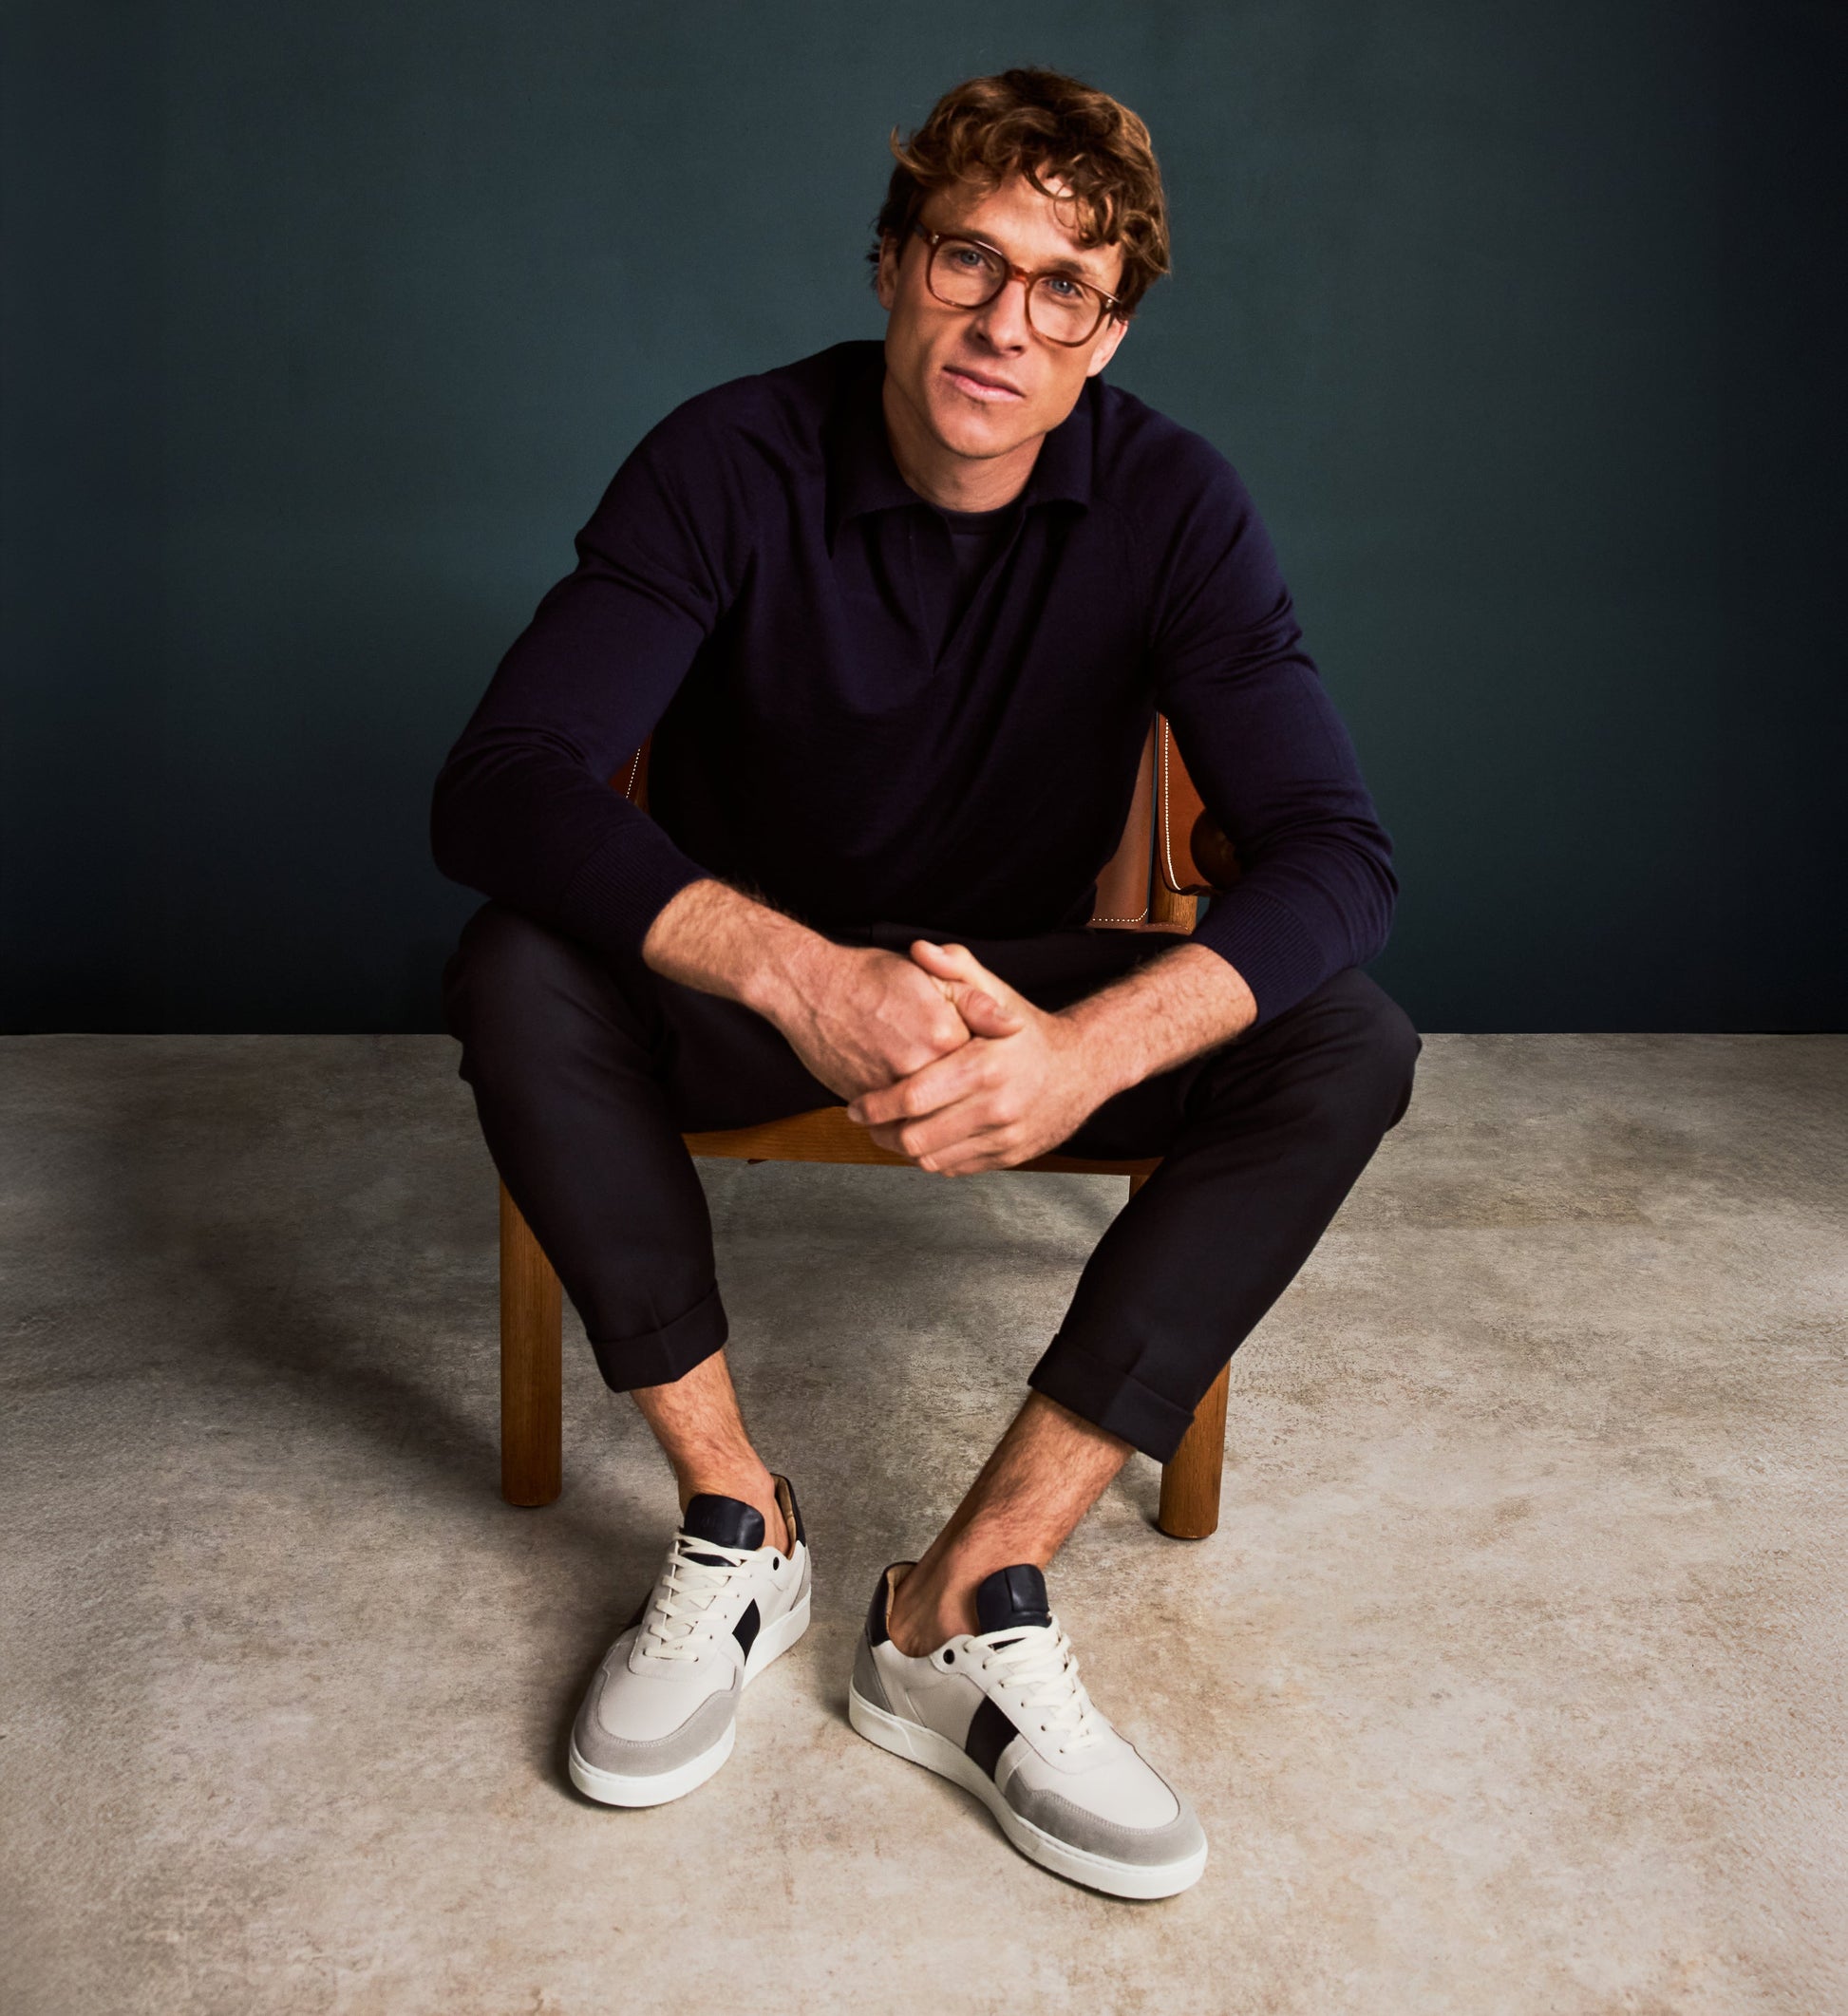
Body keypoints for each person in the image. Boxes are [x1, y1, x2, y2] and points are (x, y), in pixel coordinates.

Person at [431, 66, 1418, 1899]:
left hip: (1016, 1000)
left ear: (1107, 335)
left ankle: (966, 1594)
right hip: (754, 982)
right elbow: (498, 786)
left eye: (1065, 288)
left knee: (1346, 1039)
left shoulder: (1176, 504)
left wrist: (1085, 1050)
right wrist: (796, 973)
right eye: (970, 257)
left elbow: (1336, 859)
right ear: (890, 262)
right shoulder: (724, 458)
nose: (1004, 322)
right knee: (512, 964)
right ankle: (737, 1524)